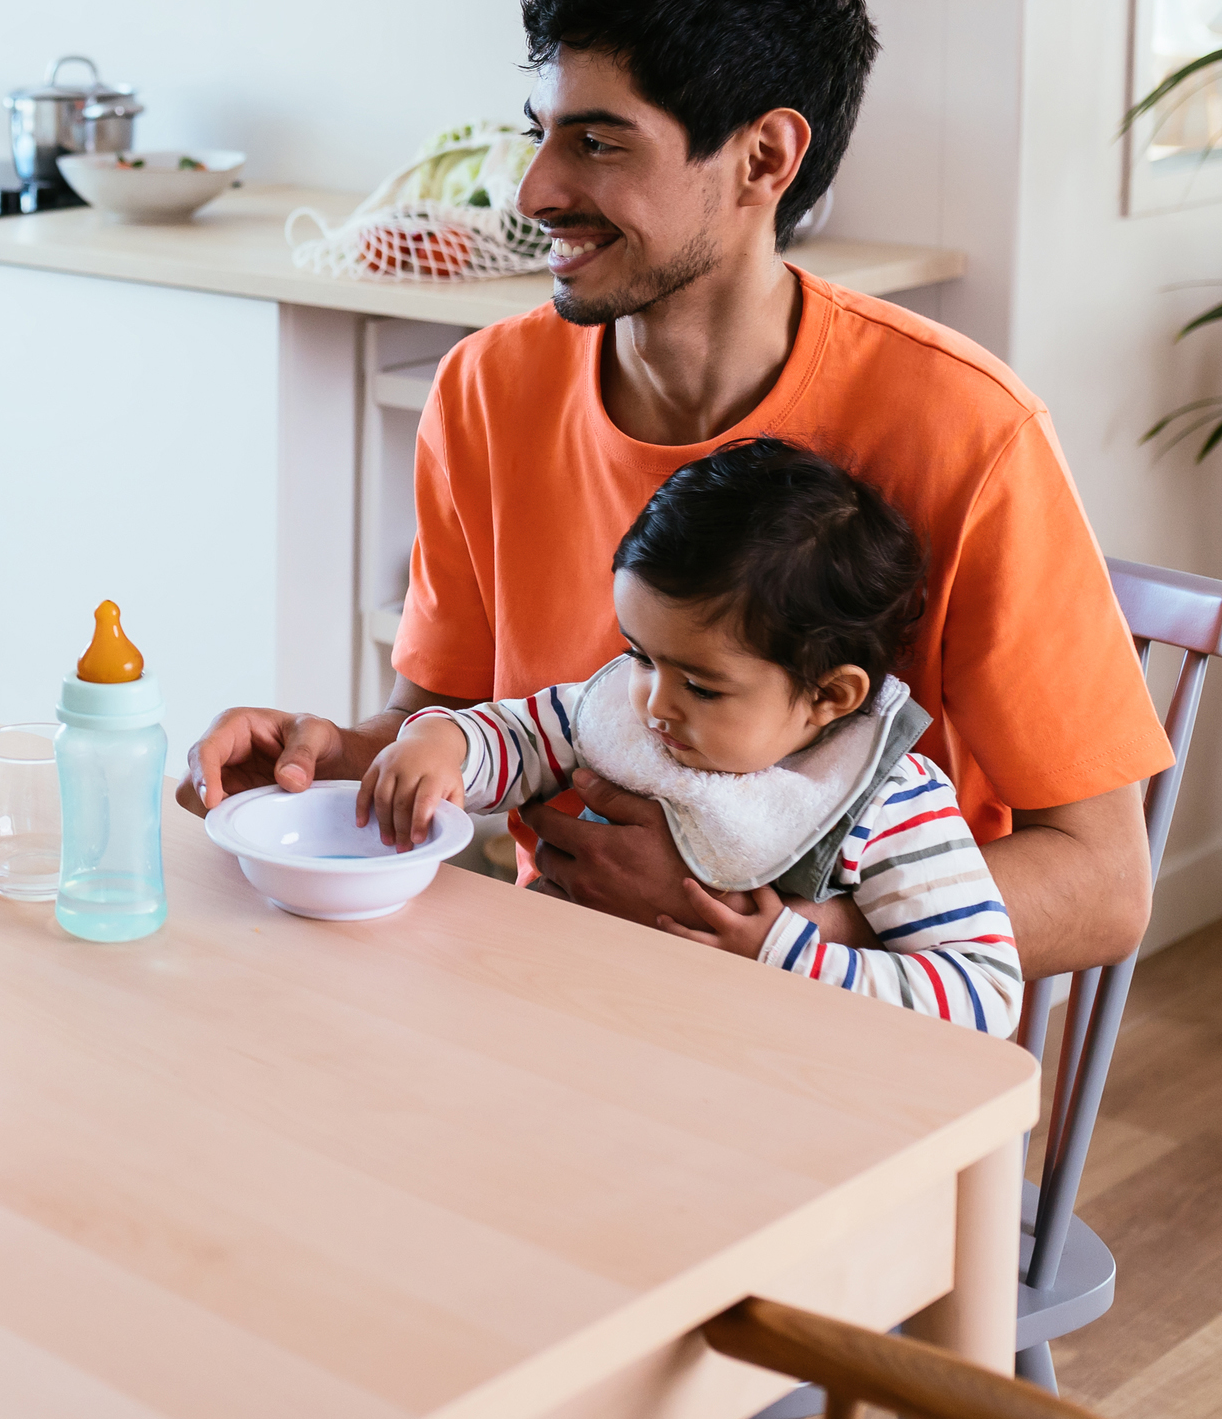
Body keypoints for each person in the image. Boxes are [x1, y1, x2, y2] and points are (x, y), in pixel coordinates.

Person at [183, 0, 1171, 982]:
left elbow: (1105, 886)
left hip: (846, 1040)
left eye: (599, 143)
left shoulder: (969, 431)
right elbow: (451, 726)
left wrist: (745, 927)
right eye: (543, 135)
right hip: (559, 986)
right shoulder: (485, 390)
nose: (534, 192)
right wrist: (339, 760)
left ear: (764, 158)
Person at [366, 439, 1019, 1036]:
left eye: (702, 687)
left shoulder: (886, 803)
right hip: (569, 1023)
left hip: (758, 1088)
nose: (652, 702)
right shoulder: (632, 712)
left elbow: (983, 993)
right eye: (640, 655)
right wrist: (445, 744)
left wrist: (784, 953)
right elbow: (523, 734)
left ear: (828, 695)